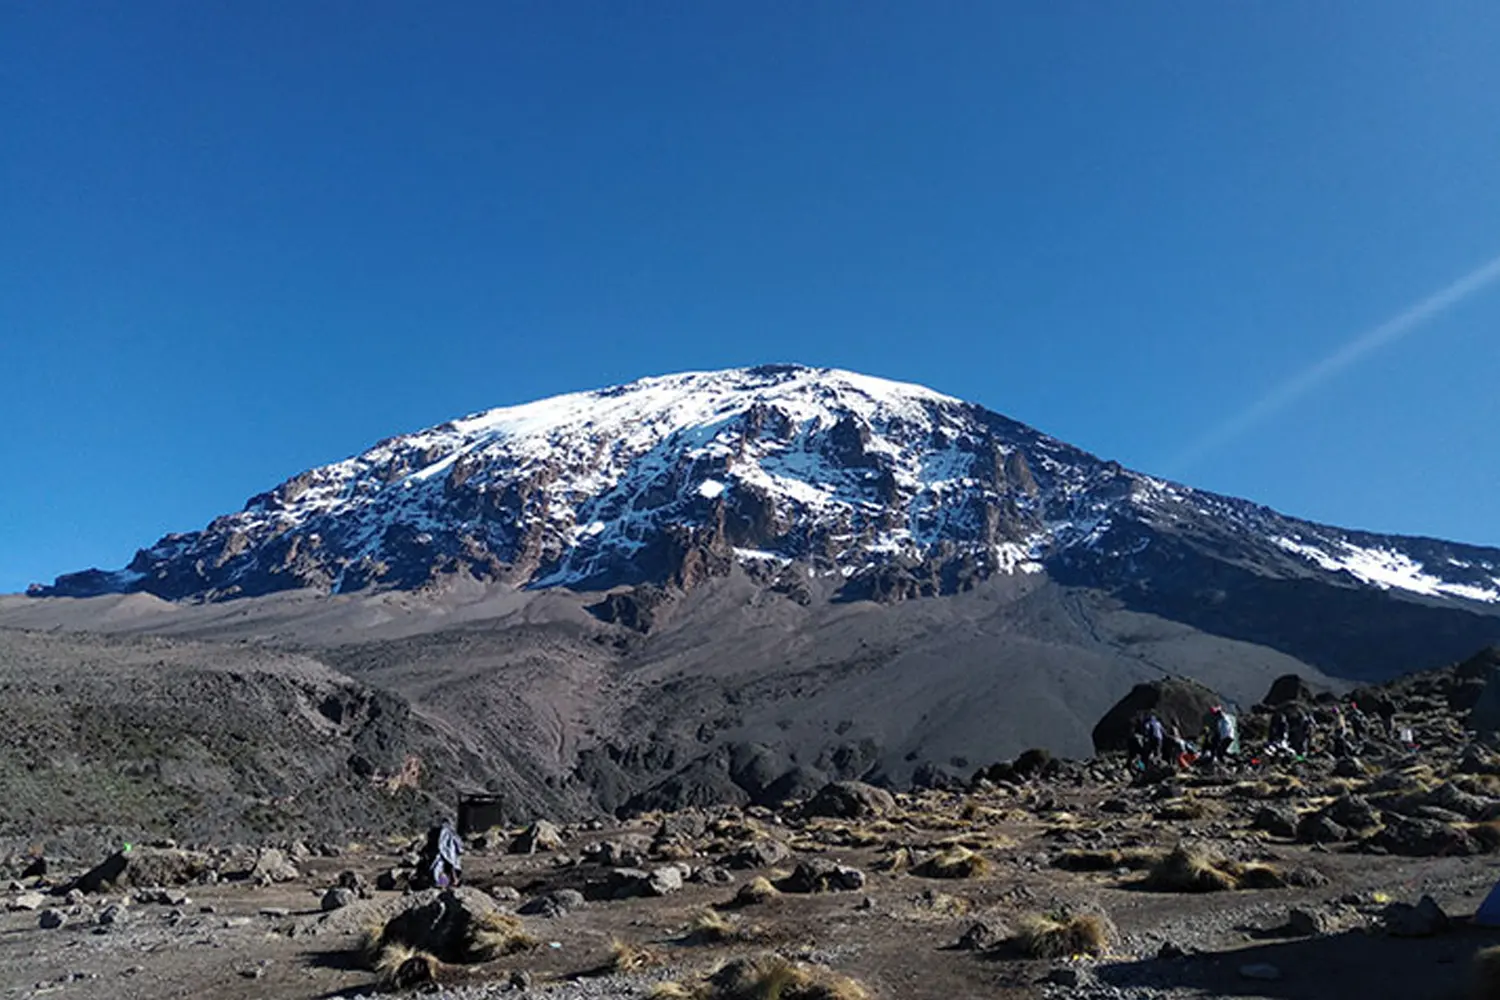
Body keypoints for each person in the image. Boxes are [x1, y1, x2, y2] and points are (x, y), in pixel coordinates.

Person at [415, 819, 463, 889]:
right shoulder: (449, 833)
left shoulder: (444, 832)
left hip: (442, 854)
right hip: (444, 854)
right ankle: (443, 883)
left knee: (441, 869)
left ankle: (443, 883)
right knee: (442, 869)